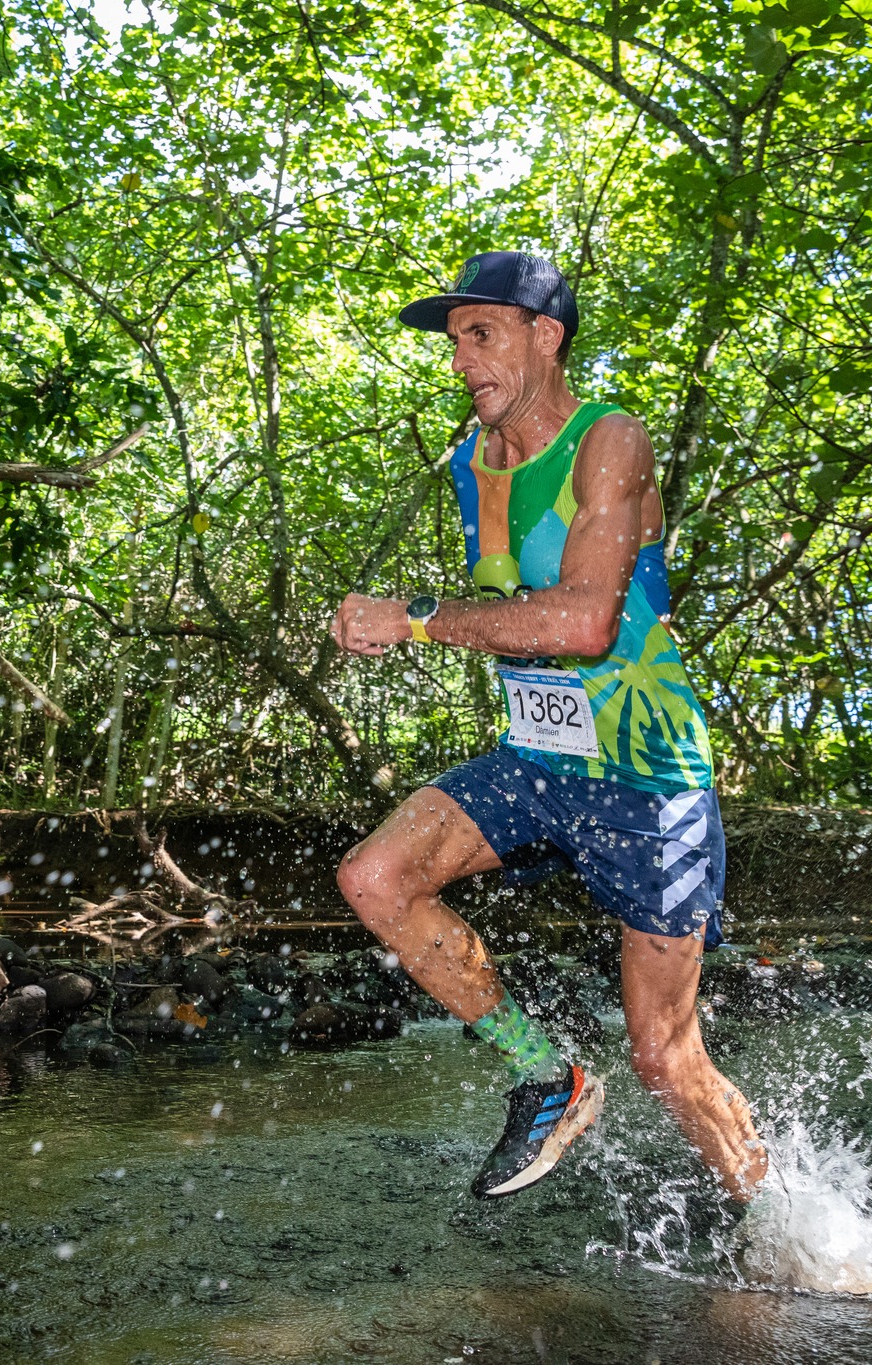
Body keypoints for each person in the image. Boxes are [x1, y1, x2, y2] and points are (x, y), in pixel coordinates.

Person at [328, 251, 768, 1203]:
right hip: (537, 759)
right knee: (375, 877)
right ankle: (546, 1073)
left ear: (545, 334)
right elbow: (505, 601)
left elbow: (582, 622)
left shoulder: (611, 440)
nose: (461, 361)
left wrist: (411, 616)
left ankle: (777, 1219)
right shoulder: (470, 462)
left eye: (480, 334)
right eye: (454, 342)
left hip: (648, 777)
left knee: (665, 1058)